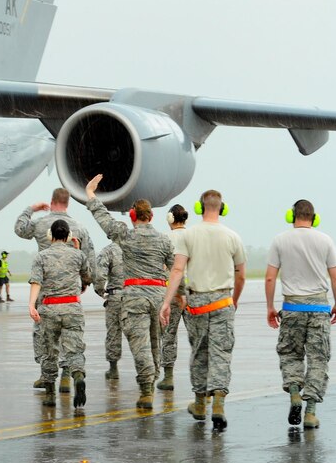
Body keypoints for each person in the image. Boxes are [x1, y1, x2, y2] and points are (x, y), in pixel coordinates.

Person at [84, 175, 174, 410]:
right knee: (156, 342)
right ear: (151, 216)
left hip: (134, 296)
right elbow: (176, 268)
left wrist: (91, 194)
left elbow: (103, 219)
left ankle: (146, 389)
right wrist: (179, 295)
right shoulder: (164, 241)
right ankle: (152, 381)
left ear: (133, 216)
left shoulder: (125, 235)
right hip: (159, 295)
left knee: (140, 345)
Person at [160, 189, 246, 431]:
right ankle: (218, 403)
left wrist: (167, 302)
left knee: (199, 352)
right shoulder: (232, 237)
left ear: (199, 208)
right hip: (222, 302)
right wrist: (234, 300)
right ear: (222, 207)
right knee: (221, 354)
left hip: (197, 303)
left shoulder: (189, 235)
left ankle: (199, 403)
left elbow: (177, 271)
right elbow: (241, 275)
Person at [264, 199, 336, 430]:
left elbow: (270, 277)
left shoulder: (280, 240)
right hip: (319, 308)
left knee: (290, 354)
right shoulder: (325, 240)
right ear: (314, 217)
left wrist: (270, 306)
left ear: (292, 216)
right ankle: (310, 412)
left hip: (292, 308)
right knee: (318, 359)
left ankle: (295, 392)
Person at [15, 187, 95, 392]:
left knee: (44, 335)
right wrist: (85, 283)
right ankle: (67, 375)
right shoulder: (79, 227)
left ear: (51, 202)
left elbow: (19, 228)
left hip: (46, 290)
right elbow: (89, 257)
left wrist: (31, 209)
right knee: (70, 336)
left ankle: (47, 376)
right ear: (68, 203)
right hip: (70, 291)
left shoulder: (41, 224)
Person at [28, 220, 92, 408]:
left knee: (49, 350)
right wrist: (79, 250)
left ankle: (49, 394)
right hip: (72, 307)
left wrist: (32, 305)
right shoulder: (78, 255)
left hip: (49, 308)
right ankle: (78, 375)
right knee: (74, 348)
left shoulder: (41, 257)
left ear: (50, 235)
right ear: (68, 235)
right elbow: (87, 277)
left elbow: (36, 282)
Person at [158, 204, 190, 392]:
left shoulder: (165, 239)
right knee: (196, 335)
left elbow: (162, 268)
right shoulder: (192, 236)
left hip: (172, 293)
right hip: (191, 292)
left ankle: (168, 377)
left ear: (170, 219)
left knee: (169, 335)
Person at [93, 241, 125, 380]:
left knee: (113, 332)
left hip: (116, 296)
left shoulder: (108, 251)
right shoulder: (138, 247)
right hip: (138, 294)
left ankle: (113, 368)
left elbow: (100, 275)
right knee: (141, 334)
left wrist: (100, 291)